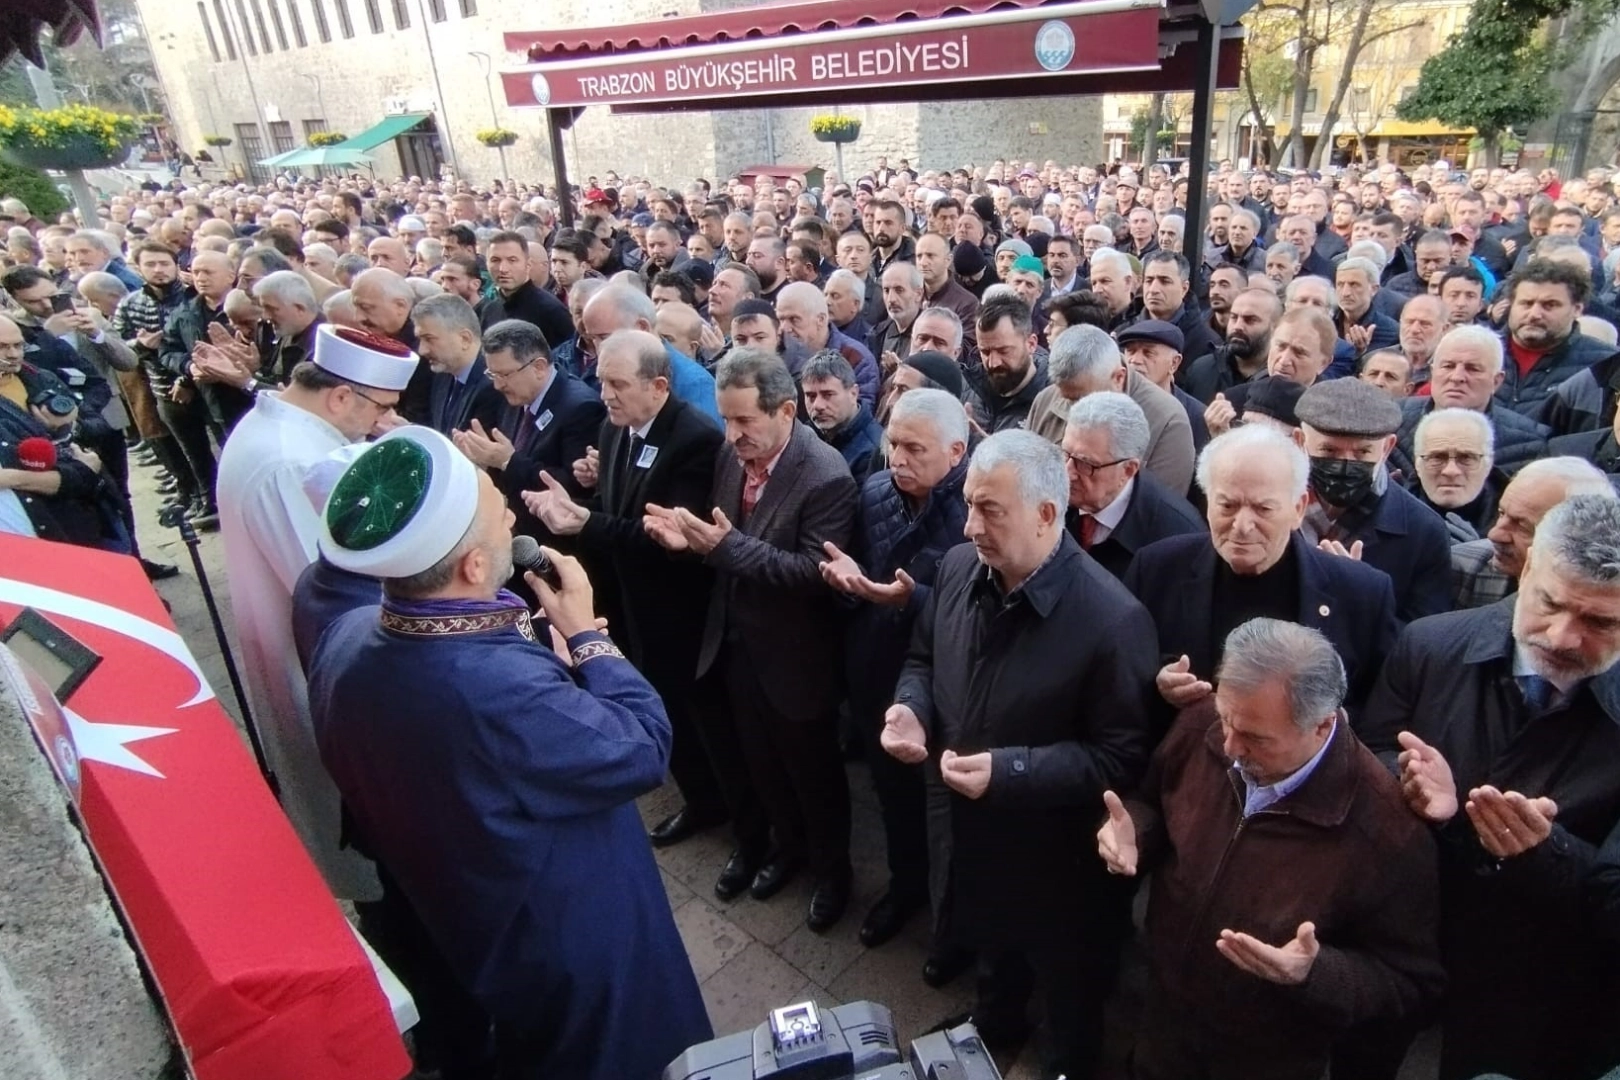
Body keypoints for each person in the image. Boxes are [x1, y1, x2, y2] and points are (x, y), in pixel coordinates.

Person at [308, 426, 711, 1080]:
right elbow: (639, 746)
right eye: (500, 515)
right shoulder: (494, 691)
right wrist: (585, 636)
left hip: (470, 920)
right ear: (472, 567)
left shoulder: (348, 636)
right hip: (572, 942)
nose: (511, 519)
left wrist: (536, 666)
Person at [885, 428, 1158, 1078]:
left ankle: (1068, 1058)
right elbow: (924, 658)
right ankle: (995, 1022)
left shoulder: (1115, 622)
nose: (970, 525)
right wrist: (910, 707)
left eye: (990, 511)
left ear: (1045, 514)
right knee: (993, 944)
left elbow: (1120, 760)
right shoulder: (958, 569)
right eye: (971, 505)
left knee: (1069, 980)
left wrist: (1008, 772)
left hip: (1059, 854)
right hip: (977, 827)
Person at [1099, 618, 1442, 1080]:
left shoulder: (1388, 833)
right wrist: (1133, 833)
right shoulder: (1209, 721)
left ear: (1322, 726)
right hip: (1163, 1021)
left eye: (1257, 739)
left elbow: (1410, 984)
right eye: (1225, 719)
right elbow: (1155, 801)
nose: (1230, 747)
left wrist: (1315, 973)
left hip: (1269, 1055)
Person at [1360, 495, 1620, 1080]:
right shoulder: (1430, 644)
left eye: (1600, 622)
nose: (1563, 636)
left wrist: (1544, 851)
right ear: (1526, 569)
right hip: (1404, 937)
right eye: (1550, 603)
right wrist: (1412, 790)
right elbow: (1371, 751)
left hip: (1547, 984)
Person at [644, 348, 858, 929]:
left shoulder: (826, 475)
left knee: (812, 777)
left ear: (787, 411)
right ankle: (784, 851)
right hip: (735, 643)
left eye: (744, 422)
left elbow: (814, 574)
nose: (732, 434)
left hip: (795, 660)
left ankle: (833, 875)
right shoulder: (731, 455)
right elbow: (720, 534)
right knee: (759, 763)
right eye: (726, 419)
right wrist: (689, 543)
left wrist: (722, 548)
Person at [215, 324, 416, 903]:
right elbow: (327, 585)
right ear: (339, 397)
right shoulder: (288, 461)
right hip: (322, 669)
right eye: (379, 409)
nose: (380, 423)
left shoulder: (279, 426)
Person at [520, 328, 728, 852]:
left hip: (678, 611)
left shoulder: (695, 438)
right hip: (630, 604)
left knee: (695, 715)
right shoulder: (617, 427)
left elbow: (665, 539)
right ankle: (700, 800)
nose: (605, 393)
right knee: (663, 706)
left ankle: (727, 808)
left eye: (617, 383)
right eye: (602, 380)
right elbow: (619, 509)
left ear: (658, 386)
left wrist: (583, 521)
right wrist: (585, 495)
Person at [817, 388, 970, 950]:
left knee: (950, 816)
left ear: (957, 451)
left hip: (945, 691)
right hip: (875, 675)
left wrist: (913, 600)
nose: (897, 459)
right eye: (892, 444)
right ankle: (907, 889)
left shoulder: (976, 511)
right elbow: (855, 566)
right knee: (893, 800)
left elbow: (980, 613)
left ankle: (957, 921)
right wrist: (848, 585)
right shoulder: (876, 489)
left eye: (914, 448)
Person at [1295, 377, 1454, 622]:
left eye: (1362, 452)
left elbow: (1421, 645)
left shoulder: (1423, 532)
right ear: (1300, 441)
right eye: (1328, 451)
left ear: (1387, 448)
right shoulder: (1263, 510)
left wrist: (1359, 596)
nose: (1345, 464)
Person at [453, 319, 604, 541]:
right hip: (513, 532)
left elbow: (575, 487)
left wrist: (508, 461)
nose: (497, 385)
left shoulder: (581, 408)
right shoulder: (513, 397)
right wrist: (484, 459)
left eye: (504, 375)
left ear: (539, 367)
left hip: (553, 543)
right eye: (492, 375)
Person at [1026, 324, 1196, 496]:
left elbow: (1157, 512)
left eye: (1083, 399)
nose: (1075, 409)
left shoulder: (1168, 420)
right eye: (1067, 399)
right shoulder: (1046, 400)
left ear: (1118, 378)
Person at [1062, 391, 1203, 579]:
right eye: (1065, 453)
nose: (1067, 472)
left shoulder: (1178, 537)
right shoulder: (1048, 496)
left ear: (1128, 469)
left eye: (1085, 464)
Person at [1449, 456, 1617, 610]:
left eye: (1522, 526)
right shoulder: (1460, 568)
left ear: (1583, 537)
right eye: (1501, 513)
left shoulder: (1611, 596)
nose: (1495, 534)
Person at [1389, 326, 1548, 484]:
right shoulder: (1391, 420)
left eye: (1473, 369)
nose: (1457, 377)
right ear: (1432, 372)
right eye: (1448, 366)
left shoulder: (1528, 444)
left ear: (1496, 381)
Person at [1496, 260, 1613, 420]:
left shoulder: (1607, 365)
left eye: (1550, 305)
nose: (1534, 314)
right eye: (1526, 303)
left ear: (1577, 309)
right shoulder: (1473, 352)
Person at [411, 293, 505, 438]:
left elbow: (469, 453)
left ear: (465, 339)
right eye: (420, 340)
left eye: (429, 339)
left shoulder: (494, 385)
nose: (422, 350)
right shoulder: (442, 373)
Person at [965, 294, 1049, 433]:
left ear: (1031, 344)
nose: (993, 363)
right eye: (985, 352)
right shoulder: (967, 388)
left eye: (1003, 351)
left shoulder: (1052, 403)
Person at [1410, 408, 1499, 540]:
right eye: (1437, 457)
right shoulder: (1388, 516)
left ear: (1488, 464)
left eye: (1466, 458)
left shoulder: (1521, 523)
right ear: (1418, 464)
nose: (1451, 471)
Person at [1182, 288, 1280, 406]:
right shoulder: (1201, 370)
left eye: (1250, 320)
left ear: (1275, 327)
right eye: (1234, 317)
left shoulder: (1283, 377)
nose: (1238, 326)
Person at [800, 350, 883, 485]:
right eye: (811, 396)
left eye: (828, 395)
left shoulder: (874, 452)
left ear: (853, 393)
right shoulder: (804, 434)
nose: (818, 406)